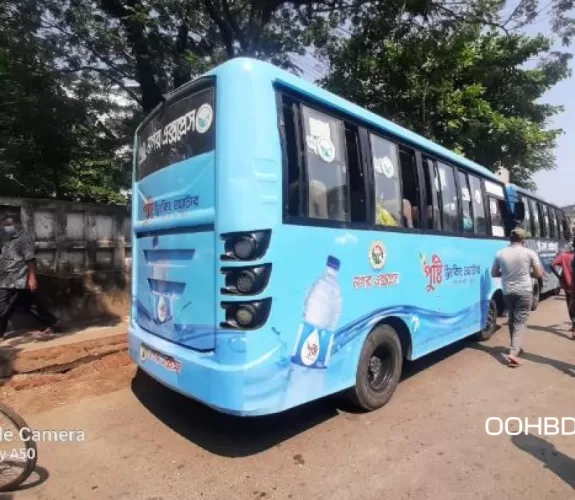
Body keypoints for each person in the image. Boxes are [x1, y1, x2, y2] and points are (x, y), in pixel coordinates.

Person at [0, 215, 60, 340]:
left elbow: (30, 260)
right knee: (29, 304)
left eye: (8, 225)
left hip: (17, 279)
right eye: (4, 225)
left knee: (3, 305)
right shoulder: (6, 240)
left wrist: (32, 278)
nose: (6, 228)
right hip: (7, 278)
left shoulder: (24, 239)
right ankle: (52, 323)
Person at [491, 228, 544, 367]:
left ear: (510, 238)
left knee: (512, 319)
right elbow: (539, 274)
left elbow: (494, 273)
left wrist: (508, 274)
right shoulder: (529, 253)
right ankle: (513, 354)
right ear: (523, 240)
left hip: (507, 291)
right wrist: (528, 273)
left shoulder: (500, 253)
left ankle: (515, 347)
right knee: (520, 321)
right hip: (524, 291)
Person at [551, 238, 575, 338]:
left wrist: (559, 276)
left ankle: (574, 326)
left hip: (567, 285)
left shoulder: (563, 255)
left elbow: (552, 265)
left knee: (571, 305)